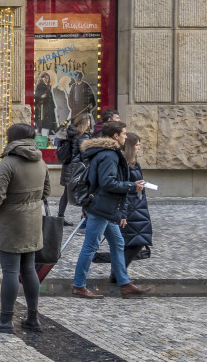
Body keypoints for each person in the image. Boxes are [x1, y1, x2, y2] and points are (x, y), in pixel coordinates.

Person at [0, 123, 51, 333]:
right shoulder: (41, 161)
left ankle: (6, 319)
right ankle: (33, 318)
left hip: (9, 223)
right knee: (29, 269)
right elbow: (47, 191)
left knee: (10, 271)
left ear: (12, 138)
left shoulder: (8, 163)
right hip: (32, 222)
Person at [71, 120, 150, 299]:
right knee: (90, 246)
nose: (126, 136)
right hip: (101, 208)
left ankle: (124, 284)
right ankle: (78, 286)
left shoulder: (103, 152)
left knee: (118, 243)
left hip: (102, 207)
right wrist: (132, 186)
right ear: (115, 136)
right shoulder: (109, 155)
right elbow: (107, 182)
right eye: (124, 134)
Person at [94, 132, 152, 284]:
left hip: (136, 206)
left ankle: (119, 273)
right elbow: (120, 186)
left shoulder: (132, 163)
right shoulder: (123, 164)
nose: (139, 148)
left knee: (129, 241)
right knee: (135, 242)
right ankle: (118, 273)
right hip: (131, 207)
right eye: (137, 145)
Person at [55, 114, 92, 224]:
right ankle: (85, 219)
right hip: (78, 168)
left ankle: (60, 217)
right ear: (85, 122)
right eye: (89, 120)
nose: (90, 122)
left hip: (68, 166)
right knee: (85, 192)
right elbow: (85, 154)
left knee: (66, 193)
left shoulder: (71, 133)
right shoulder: (84, 136)